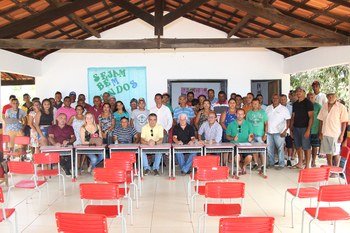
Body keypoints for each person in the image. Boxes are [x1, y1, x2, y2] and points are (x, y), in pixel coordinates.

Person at [318, 92, 348, 168]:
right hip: (325, 132)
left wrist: (342, 135)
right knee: (328, 153)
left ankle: (336, 170)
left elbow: (344, 122)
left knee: (336, 153)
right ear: (327, 97)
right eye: (329, 96)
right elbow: (321, 120)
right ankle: (330, 168)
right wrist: (320, 132)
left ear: (336, 97)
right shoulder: (324, 106)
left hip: (335, 134)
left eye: (332, 96)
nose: (330, 98)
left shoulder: (341, 107)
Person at [290, 87, 314, 169]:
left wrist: (308, 130)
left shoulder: (308, 103)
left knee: (306, 147)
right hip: (296, 127)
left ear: (304, 92)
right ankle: (300, 163)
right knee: (298, 146)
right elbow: (293, 116)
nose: (298, 93)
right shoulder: (295, 104)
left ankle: (307, 165)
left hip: (305, 128)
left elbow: (311, 117)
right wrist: (291, 128)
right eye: (297, 91)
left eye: (300, 91)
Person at [266, 94, 291, 169]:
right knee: (270, 149)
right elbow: (265, 120)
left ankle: (281, 164)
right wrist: (265, 131)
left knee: (280, 149)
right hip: (269, 132)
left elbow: (288, 120)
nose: (275, 99)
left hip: (279, 132)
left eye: (277, 98)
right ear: (271, 99)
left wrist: (285, 130)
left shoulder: (284, 109)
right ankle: (271, 163)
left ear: (279, 99)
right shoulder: (268, 108)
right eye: (274, 98)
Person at [226, 108, 254, 174]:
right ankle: (238, 167)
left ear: (244, 115)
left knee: (249, 157)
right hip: (235, 144)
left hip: (246, 144)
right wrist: (233, 138)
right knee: (237, 155)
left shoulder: (248, 124)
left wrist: (251, 138)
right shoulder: (231, 124)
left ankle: (244, 166)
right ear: (235, 114)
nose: (240, 115)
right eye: (238, 114)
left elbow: (252, 135)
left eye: (241, 114)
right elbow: (227, 136)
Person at [246, 98, 268, 170]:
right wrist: (248, 134)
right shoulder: (249, 113)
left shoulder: (263, 113)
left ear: (259, 104)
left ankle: (263, 165)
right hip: (252, 134)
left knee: (261, 150)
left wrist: (265, 134)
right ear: (251, 104)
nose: (254, 105)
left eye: (256, 103)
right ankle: (255, 163)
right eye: (253, 103)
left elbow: (266, 124)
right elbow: (246, 124)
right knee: (254, 150)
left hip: (260, 134)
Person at [220, 98, 237, 164]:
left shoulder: (238, 112)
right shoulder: (225, 112)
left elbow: (241, 122)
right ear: (228, 104)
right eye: (231, 103)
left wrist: (239, 130)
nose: (232, 104)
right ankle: (224, 162)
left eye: (233, 103)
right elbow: (221, 122)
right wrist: (227, 130)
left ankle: (231, 159)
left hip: (236, 132)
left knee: (234, 146)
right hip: (226, 132)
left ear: (235, 104)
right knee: (226, 147)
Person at [307, 92, 322, 167]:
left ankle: (313, 160)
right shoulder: (305, 105)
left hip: (315, 130)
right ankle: (307, 160)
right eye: (308, 97)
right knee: (306, 146)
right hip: (306, 130)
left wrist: (320, 131)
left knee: (314, 146)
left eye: (312, 97)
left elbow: (321, 120)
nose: (310, 99)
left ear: (315, 98)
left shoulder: (318, 106)